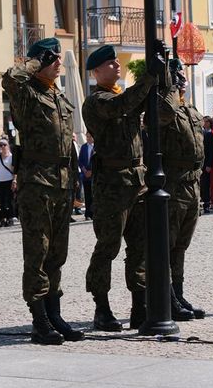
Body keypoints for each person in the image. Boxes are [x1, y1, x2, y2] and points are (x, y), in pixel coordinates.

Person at [2, 37, 84, 345]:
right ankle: (39, 320)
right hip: (37, 183)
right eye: (53, 58)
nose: (58, 62)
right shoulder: (26, 94)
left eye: (58, 57)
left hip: (61, 183)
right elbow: (10, 77)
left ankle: (55, 313)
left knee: (57, 253)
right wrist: (36, 61)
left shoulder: (59, 97)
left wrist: (75, 186)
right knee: (38, 251)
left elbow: (69, 149)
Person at [82, 44, 162, 332]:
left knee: (139, 247)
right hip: (112, 184)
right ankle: (101, 308)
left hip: (136, 181)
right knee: (108, 246)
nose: (117, 66)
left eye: (117, 62)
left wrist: (159, 79)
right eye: (110, 63)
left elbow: (140, 103)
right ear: (96, 71)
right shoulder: (97, 101)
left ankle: (139, 307)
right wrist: (147, 79)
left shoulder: (122, 95)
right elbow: (122, 106)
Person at [158, 58, 205, 321]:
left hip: (192, 183)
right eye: (176, 76)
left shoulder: (189, 108)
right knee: (169, 244)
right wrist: (169, 87)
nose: (181, 79)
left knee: (181, 246)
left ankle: (178, 292)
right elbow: (164, 114)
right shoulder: (165, 106)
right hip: (174, 185)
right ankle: (167, 297)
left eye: (181, 75)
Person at [0, 139, 16, 227]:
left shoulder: (11, 156)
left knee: (9, 200)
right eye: (1, 145)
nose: (2, 147)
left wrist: (14, 180)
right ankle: (3, 218)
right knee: (1, 201)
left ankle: (10, 218)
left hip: (9, 180)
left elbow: (14, 170)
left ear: (8, 146)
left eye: (4, 145)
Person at [78, 132, 94, 221]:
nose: (88, 138)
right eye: (87, 137)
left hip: (94, 175)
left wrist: (92, 171)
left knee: (93, 195)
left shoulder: (95, 147)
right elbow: (80, 161)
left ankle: (93, 213)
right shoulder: (84, 147)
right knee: (87, 195)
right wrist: (85, 171)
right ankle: (87, 214)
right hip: (85, 176)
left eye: (90, 137)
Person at [201, 116, 213, 214]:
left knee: (205, 184)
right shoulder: (198, 133)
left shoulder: (209, 134)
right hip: (196, 164)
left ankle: (206, 204)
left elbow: (211, 151)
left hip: (205, 164)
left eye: (206, 121)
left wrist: (209, 164)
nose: (204, 123)